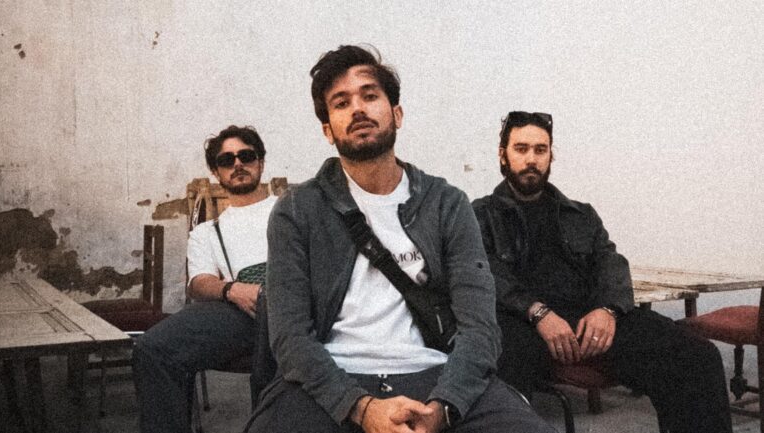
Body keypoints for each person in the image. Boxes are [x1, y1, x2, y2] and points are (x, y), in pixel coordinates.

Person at [248, 45, 555, 433]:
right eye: (341, 103)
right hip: (331, 380)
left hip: (434, 372)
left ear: (397, 114)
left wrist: (445, 406)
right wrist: (361, 408)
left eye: (370, 95)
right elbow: (291, 339)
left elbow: (480, 327)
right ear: (328, 130)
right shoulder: (297, 211)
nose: (358, 108)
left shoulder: (446, 204)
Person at [472, 111, 733, 433]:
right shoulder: (480, 214)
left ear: (551, 154)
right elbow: (486, 273)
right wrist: (539, 313)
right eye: (521, 148)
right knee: (499, 364)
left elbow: (611, 263)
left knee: (696, 356)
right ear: (503, 154)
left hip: (587, 317)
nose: (531, 159)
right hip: (521, 322)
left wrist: (607, 310)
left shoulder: (580, 214)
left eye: (540, 150)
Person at [132, 125, 276, 433]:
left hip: (294, 305)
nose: (237, 164)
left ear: (260, 162)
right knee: (153, 349)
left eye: (246, 156)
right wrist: (232, 289)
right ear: (216, 171)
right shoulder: (207, 232)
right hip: (243, 311)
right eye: (227, 160)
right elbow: (198, 282)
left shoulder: (289, 209)